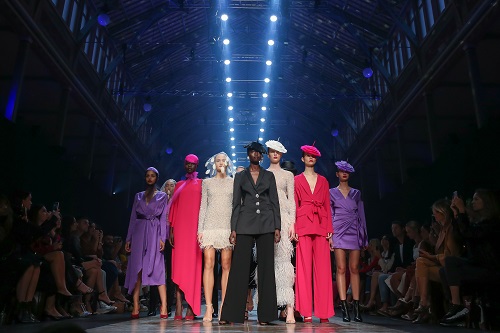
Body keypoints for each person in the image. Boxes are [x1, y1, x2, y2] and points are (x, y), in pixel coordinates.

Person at [219, 141, 281, 325]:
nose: (255, 154)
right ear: (248, 154)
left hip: (267, 223)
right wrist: (233, 229)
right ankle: (230, 314)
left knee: (266, 268)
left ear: (262, 156)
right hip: (245, 223)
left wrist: (277, 227)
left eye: (258, 152)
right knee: (239, 267)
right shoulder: (240, 176)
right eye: (252, 151)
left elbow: (274, 202)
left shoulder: (269, 176)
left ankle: (267, 315)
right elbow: (236, 204)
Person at [294, 144, 334, 323]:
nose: (310, 158)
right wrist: (293, 228)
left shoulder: (324, 181)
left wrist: (330, 230)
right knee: (303, 270)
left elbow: (327, 206)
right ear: (302, 159)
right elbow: (294, 205)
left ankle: (324, 311)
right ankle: (305, 311)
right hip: (303, 224)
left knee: (323, 269)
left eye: (313, 156)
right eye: (307, 155)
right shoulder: (296, 180)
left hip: (320, 223)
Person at [124, 167, 168, 319]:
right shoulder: (138, 196)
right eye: (147, 176)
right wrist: (128, 238)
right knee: (137, 268)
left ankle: (164, 305)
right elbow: (132, 218)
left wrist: (163, 237)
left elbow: (163, 219)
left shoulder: (162, 196)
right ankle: (135, 304)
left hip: (155, 232)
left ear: (157, 178)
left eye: (153, 176)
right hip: (139, 231)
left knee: (157, 267)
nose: (150, 178)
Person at [198, 152, 234, 322]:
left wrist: (234, 230)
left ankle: (224, 306)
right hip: (210, 227)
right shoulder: (207, 183)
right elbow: (203, 207)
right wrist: (200, 230)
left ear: (227, 163)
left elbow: (236, 207)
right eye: (217, 160)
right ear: (214, 163)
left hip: (226, 226)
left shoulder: (234, 183)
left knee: (226, 265)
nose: (220, 162)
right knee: (208, 263)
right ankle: (209, 306)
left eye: (223, 160)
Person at [329, 160, 368, 322]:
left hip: (354, 231)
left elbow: (361, 215)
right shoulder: (331, 192)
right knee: (341, 268)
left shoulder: (356, 193)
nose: (344, 173)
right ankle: (344, 308)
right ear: (337, 174)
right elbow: (329, 215)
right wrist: (329, 235)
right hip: (338, 231)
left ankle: (357, 309)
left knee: (354, 268)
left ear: (349, 174)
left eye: (347, 171)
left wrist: (363, 236)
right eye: (341, 170)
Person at [264, 140, 296, 324]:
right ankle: (269, 308)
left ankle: (289, 308)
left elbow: (291, 200)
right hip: (266, 220)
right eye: (271, 151)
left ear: (281, 154)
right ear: (267, 154)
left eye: (278, 152)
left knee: (285, 263)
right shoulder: (262, 174)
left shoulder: (287, 176)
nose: (275, 154)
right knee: (267, 264)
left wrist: (292, 224)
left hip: (283, 220)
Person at [168, 154, 203, 320]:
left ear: (197, 166)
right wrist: (171, 230)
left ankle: (191, 306)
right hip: (181, 231)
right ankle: (179, 305)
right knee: (179, 268)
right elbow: (173, 209)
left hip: (195, 230)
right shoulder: (179, 185)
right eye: (187, 164)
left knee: (194, 268)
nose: (189, 166)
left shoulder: (202, 184)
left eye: (192, 164)